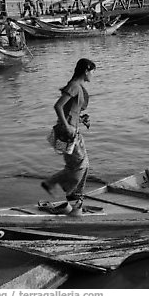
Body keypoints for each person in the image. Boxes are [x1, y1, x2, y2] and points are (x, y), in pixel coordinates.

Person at [43, 58, 96, 211]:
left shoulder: (77, 87)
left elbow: (69, 110)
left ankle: (72, 194)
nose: (93, 75)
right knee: (80, 165)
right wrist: (66, 126)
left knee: (79, 164)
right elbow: (58, 106)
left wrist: (81, 119)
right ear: (86, 71)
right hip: (68, 132)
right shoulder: (74, 86)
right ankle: (69, 193)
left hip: (73, 130)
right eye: (92, 72)